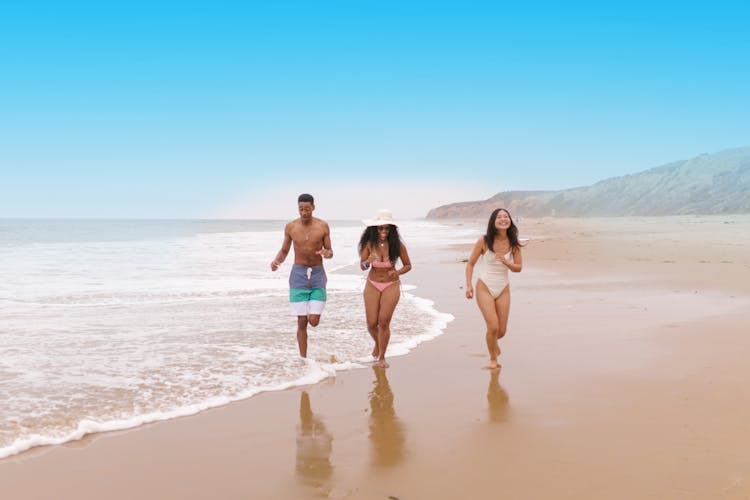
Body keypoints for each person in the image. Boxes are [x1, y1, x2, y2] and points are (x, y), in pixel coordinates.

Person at [271, 193, 333, 358]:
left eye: (307, 209)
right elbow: (284, 250)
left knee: (313, 320)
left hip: (318, 275)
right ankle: (303, 359)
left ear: (313, 207)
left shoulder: (323, 226)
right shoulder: (291, 227)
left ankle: (311, 317)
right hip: (298, 275)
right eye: (301, 209)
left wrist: (326, 253)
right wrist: (277, 261)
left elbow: (330, 251)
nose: (304, 212)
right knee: (301, 321)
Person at [465, 208, 524, 369]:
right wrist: (469, 285)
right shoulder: (484, 241)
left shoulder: (514, 243)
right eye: (499, 217)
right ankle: (493, 359)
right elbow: (470, 263)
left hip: (503, 288)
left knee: (501, 331)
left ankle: (493, 345)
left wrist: (507, 263)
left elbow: (518, 268)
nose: (503, 219)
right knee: (493, 326)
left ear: (510, 221)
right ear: (493, 221)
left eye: (506, 217)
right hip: (484, 286)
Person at [358, 209, 412, 368]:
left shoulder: (397, 245)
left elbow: (408, 265)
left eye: (387, 228)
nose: (383, 231)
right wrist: (368, 261)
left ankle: (382, 356)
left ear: (391, 230)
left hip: (391, 285)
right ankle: (378, 343)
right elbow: (362, 266)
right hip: (372, 284)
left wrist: (397, 272)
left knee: (383, 322)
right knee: (371, 323)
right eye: (380, 228)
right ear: (374, 229)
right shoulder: (369, 244)